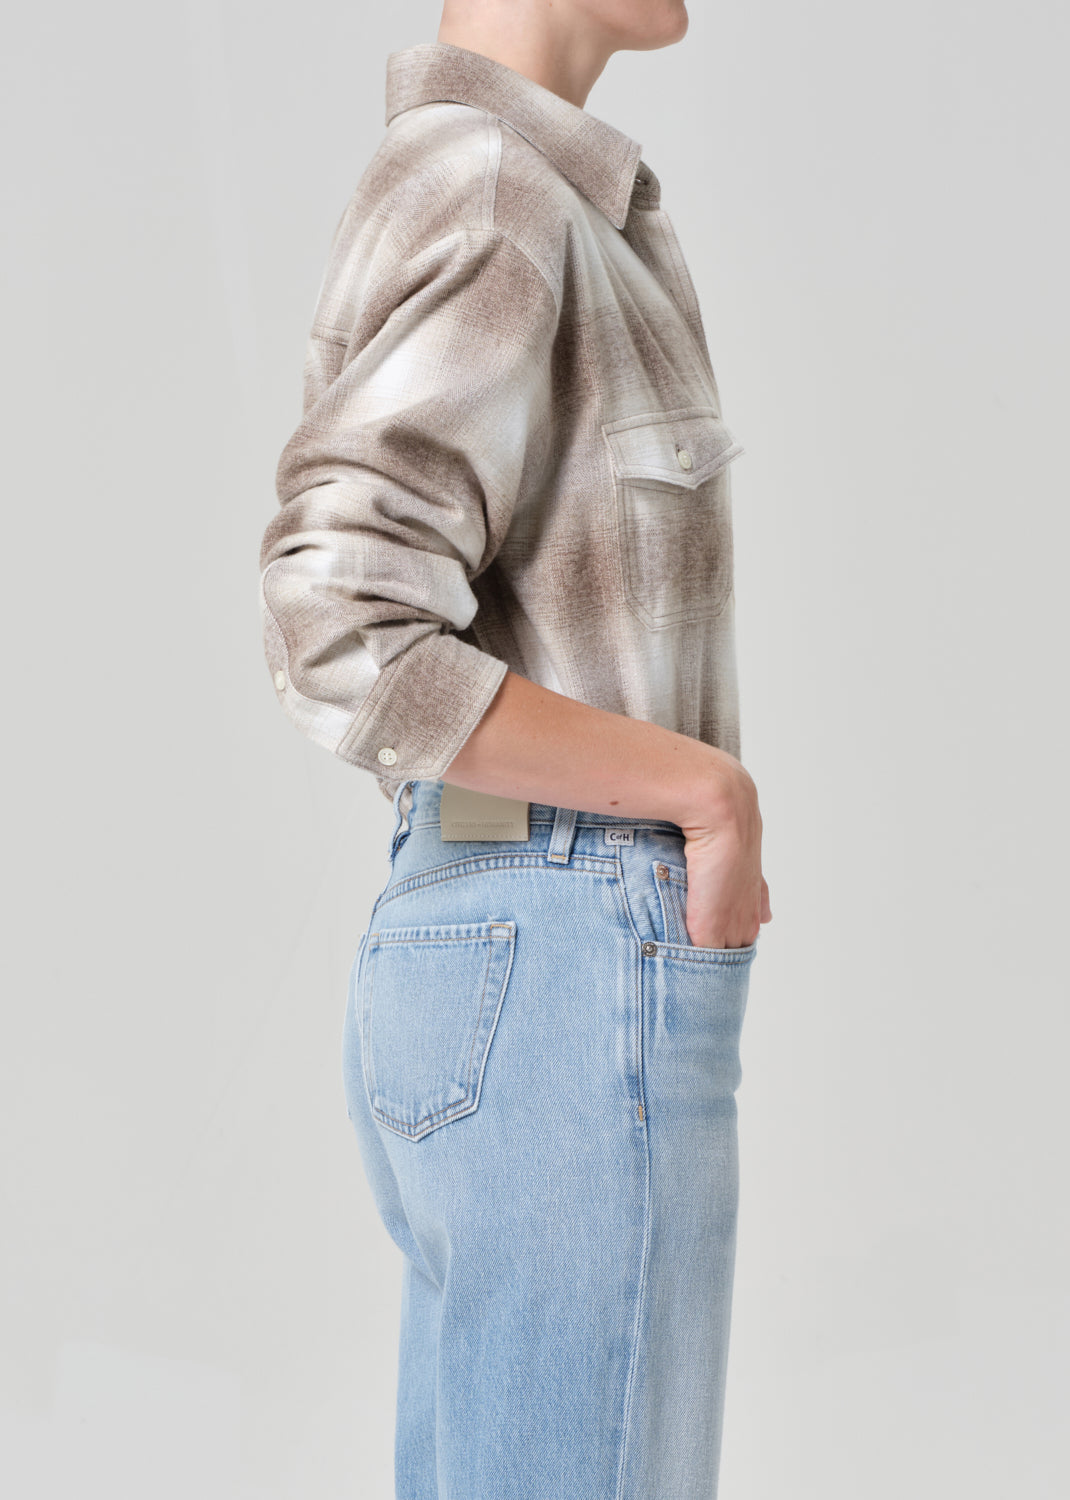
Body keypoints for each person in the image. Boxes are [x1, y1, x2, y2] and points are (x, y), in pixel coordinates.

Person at [259, 1, 772, 1495]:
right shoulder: (493, 189)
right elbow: (337, 616)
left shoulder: (515, 192)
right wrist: (705, 792)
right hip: (560, 942)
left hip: (505, 924)